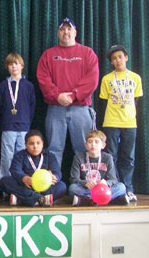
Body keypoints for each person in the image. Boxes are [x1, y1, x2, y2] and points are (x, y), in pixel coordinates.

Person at [36, 17, 99, 168]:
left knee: (85, 148)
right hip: (55, 108)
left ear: (75, 32)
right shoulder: (48, 55)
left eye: (69, 28)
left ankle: (86, 182)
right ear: (58, 33)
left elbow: (92, 79)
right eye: (62, 29)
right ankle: (54, 183)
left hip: (81, 109)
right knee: (54, 148)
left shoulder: (87, 53)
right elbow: (43, 78)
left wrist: (73, 95)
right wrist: (57, 96)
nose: (66, 32)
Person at [99, 45, 143, 202]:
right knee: (111, 156)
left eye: (120, 57)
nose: (117, 60)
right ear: (111, 62)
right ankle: (114, 187)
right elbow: (103, 102)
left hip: (130, 123)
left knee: (128, 157)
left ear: (126, 57)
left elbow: (136, 100)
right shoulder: (107, 79)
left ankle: (128, 188)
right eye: (114, 58)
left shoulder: (136, 78)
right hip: (111, 122)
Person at [0, 130, 67, 207]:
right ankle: (41, 199)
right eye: (31, 144)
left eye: (38, 143)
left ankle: (23, 199)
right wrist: (23, 178)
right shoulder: (20, 155)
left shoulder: (50, 156)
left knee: (62, 186)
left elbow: (57, 172)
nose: (35, 147)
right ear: (25, 145)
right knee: (4, 181)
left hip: (44, 187)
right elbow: (15, 170)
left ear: (42, 144)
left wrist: (55, 177)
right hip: (26, 185)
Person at [0, 52, 35, 182]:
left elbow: (32, 106)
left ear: (22, 66)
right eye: (11, 64)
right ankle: (6, 183)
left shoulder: (28, 86)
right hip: (8, 126)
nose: (14, 67)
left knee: (22, 156)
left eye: (16, 64)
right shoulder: (3, 85)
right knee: (7, 156)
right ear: (7, 67)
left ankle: (21, 182)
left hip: (24, 126)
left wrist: (27, 122)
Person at [69, 130, 129, 206]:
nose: (93, 145)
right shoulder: (78, 158)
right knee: (72, 188)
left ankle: (89, 200)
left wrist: (106, 183)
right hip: (88, 189)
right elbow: (73, 179)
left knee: (121, 187)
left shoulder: (107, 157)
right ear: (86, 144)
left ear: (103, 145)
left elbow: (113, 179)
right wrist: (85, 183)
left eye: (96, 142)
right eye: (90, 142)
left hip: (103, 189)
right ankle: (107, 200)